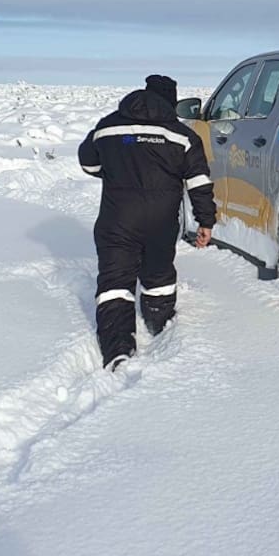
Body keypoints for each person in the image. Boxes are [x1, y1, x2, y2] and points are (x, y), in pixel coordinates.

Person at [77, 74, 216, 371]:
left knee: (115, 282)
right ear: (171, 102)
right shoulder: (182, 135)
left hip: (117, 218)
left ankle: (117, 351)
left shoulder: (107, 126)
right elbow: (198, 181)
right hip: (161, 222)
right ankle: (159, 325)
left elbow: (88, 162)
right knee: (158, 274)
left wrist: (116, 171)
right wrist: (206, 220)